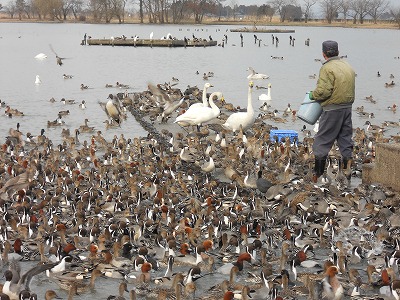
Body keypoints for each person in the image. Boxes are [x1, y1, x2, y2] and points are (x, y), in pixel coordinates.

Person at [308, 40, 356, 183]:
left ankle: (318, 176)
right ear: (338, 52)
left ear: (324, 54)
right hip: (347, 108)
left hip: (332, 109)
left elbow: (324, 91)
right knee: (345, 140)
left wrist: (312, 95)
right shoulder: (347, 65)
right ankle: (347, 174)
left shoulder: (327, 68)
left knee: (322, 140)